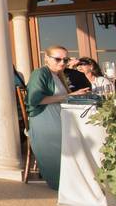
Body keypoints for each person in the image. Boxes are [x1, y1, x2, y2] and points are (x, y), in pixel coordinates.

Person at [26, 45, 91, 190]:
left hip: (59, 119)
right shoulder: (40, 73)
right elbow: (35, 100)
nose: (62, 63)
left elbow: (61, 98)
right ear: (46, 58)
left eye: (65, 60)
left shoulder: (58, 75)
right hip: (45, 121)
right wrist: (70, 95)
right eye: (57, 59)